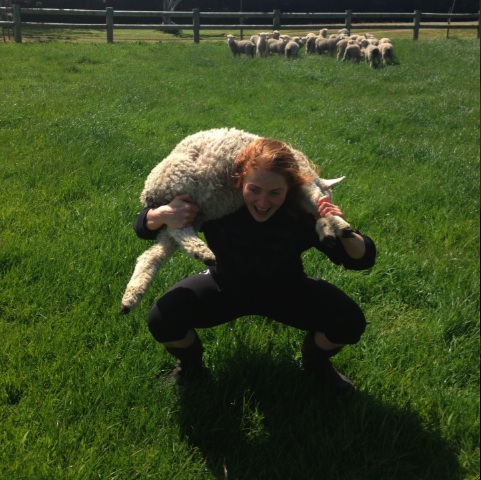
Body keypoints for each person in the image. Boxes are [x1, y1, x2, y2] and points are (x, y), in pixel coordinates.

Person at [133, 138, 376, 393]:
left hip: (286, 289)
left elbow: (361, 258)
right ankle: (191, 365)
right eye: (254, 189)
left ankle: (316, 364)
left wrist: (341, 227)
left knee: (350, 321)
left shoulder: (300, 213)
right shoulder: (219, 205)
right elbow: (143, 227)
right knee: (163, 318)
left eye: (275, 193)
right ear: (240, 182)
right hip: (224, 286)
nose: (262, 202)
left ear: (289, 189)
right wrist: (160, 215)